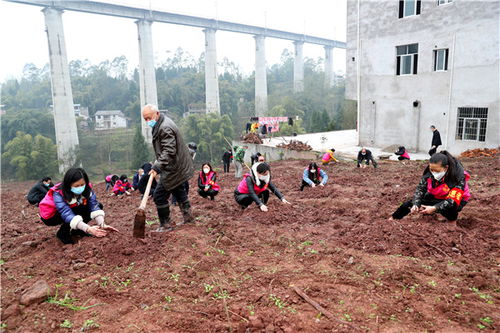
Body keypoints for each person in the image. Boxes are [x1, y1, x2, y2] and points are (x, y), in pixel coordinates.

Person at [142, 104, 194, 232]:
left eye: (149, 118)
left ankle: (165, 225)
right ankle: (189, 218)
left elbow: (169, 151)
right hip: (176, 165)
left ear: (157, 113)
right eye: (145, 119)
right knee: (178, 190)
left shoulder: (164, 128)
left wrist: (157, 167)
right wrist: (157, 163)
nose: (148, 121)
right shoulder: (162, 124)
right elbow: (164, 150)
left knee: (159, 195)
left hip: (173, 167)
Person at [38, 168, 118, 244]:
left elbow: (93, 205)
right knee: (75, 211)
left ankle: (77, 231)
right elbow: (66, 213)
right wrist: (88, 229)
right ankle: (62, 234)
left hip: (69, 209)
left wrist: (102, 224)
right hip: (51, 216)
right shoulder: (58, 192)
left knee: (97, 205)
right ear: (68, 185)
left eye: (82, 184)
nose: (80, 188)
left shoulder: (87, 188)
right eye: (76, 186)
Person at [390, 151, 470, 223]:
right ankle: (393, 218)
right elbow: (421, 189)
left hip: (457, 199)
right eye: (432, 170)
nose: (434, 173)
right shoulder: (429, 172)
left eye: (437, 171)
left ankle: (452, 223)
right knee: (408, 204)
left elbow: (452, 200)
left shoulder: (458, 177)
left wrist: (434, 208)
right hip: (438, 194)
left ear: (446, 168)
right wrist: (416, 203)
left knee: (450, 207)